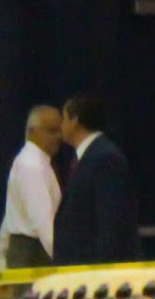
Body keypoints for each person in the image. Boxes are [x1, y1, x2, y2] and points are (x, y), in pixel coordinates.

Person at [53, 93, 141, 266]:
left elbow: (111, 222)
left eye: (63, 118)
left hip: (96, 271)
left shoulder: (105, 158)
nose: (60, 125)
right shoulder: (87, 157)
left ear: (75, 120)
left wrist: (101, 269)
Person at [0, 104, 63, 269]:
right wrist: (62, 259)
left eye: (59, 131)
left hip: (30, 250)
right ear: (31, 131)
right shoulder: (31, 165)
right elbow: (42, 221)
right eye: (52, 131)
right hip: (32, 254)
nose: (59, 137)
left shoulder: (35, 162)